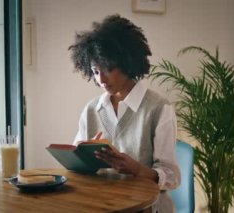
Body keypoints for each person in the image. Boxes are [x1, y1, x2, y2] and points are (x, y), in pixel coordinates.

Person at [68, 14, 180, 212]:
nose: (101, 79)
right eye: (95, 71)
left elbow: (171, 177)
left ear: (128, 62)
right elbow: (78, 167)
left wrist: (136, 169)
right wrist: (84, 157)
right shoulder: (92, 110)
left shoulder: (159, 108)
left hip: (147, 208)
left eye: (108, 69)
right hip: (103, 205)